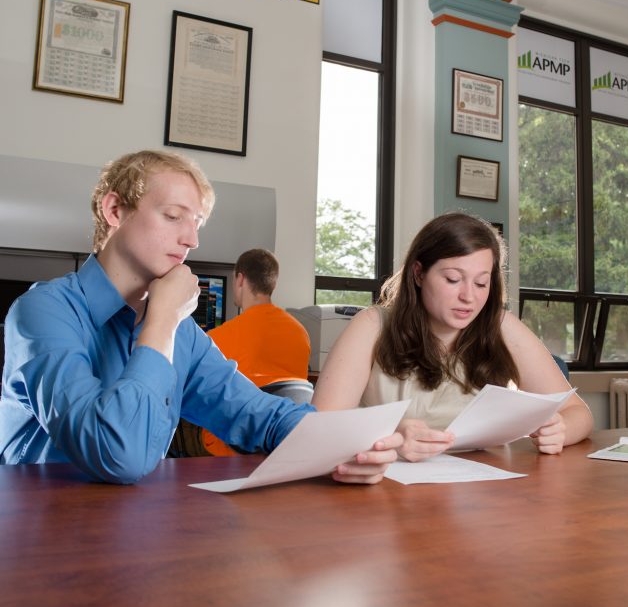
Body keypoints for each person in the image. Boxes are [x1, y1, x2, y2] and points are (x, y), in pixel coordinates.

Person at [0, 150, 400, 484]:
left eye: (197, 223)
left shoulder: (182, 333)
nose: (192, 240)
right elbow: (118, 453)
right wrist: (161, 322)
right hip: (43, 540)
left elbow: (256, 414)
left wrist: (367, 441)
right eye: (174, 216)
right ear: (115, 209)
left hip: (138, 536)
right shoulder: (43, 313)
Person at [313, 212, 593, 459]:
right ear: (419, 274)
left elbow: (578, 413)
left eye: (481, 283)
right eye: (453, 279)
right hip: (384, 492)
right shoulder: (372, 325)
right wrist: (390, 434)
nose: (468, 297)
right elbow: (320, 426)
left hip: (478, 496)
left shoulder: (501, 327)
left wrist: (560, 430)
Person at [202, 248, 311, 456]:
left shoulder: (217, 337)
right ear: (273, 283)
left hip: (229, 447)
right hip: (281, 442)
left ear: (240, 279)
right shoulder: (300, 332)